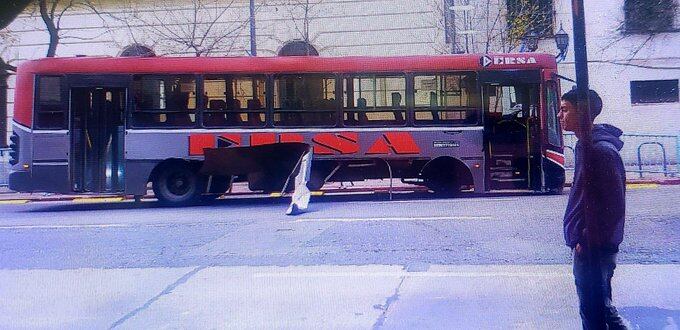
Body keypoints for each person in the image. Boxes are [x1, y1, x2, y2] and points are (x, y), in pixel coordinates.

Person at [558, 89, 628, 329]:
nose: (559, 115)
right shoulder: (585, 146)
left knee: (595, 310)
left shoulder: (599, 151)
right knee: (599, 307)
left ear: (583, 112)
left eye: (565, 109)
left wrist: (585, 240)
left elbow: (612, 206)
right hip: (590, 245)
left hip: (594, 248)